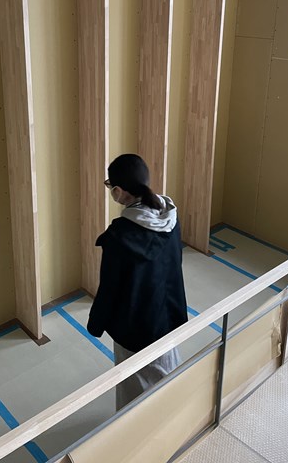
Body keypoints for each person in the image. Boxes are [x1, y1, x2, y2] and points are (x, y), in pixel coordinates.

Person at [87, 153, 188, 411]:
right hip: (169, 314)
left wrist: (96, 323)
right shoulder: (169, 217)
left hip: (135, 325)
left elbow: (110, 289)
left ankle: (137, 428)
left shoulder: (119, 236)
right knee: (166, 373)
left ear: (118, 191)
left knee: (135, 388)